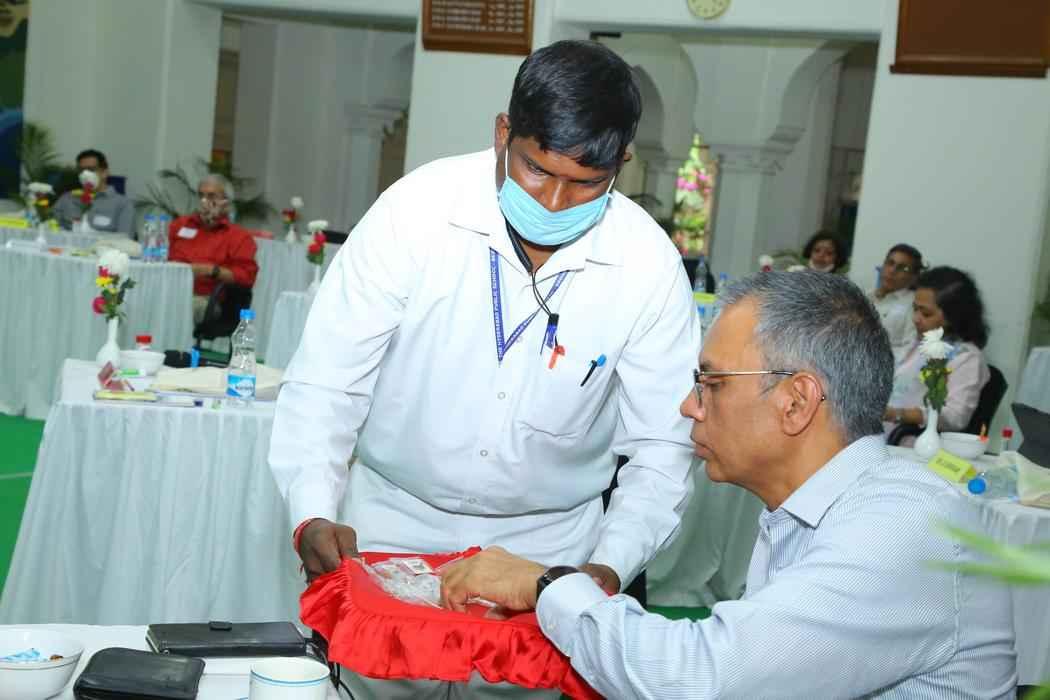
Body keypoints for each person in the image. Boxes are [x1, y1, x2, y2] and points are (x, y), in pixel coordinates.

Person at [268, 39, 699, 698]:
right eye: (536, 171)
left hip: (545, 552)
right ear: (503, 134)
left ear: (623, 163)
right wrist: (311, 512)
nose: (555, 202)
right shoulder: (416, 213)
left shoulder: (646, 265)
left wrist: (605, 570)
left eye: (586, 183)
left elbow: (663, 450)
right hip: (392, 527)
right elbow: (327, 383)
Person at [440, 270, 1017, 699]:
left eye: (711, 383)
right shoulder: (813, 507)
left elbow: (702, 677)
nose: (689, 406)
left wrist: (546, 585)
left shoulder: (904, 525)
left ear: (796, 402)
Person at [884, 266, 990, 433]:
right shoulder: (917, 343)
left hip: (911, 442)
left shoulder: (966, 358)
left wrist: (897, 414)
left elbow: (955, 417)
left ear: (953, 317)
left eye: (926, 314)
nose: (916, 319)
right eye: (915, 309)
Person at [167, 174, 258, 324]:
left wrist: (210, 270)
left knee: (175, 308)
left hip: (206, 298)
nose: (204, 201)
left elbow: (246, 277)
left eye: (211, 196)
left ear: (226, 202)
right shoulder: (180, 225)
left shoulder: (239, 237)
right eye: (201, 195)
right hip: (170, 290)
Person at [52, 149, 134, 234]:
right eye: (81, 170)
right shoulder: (67, 199)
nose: (85, 174)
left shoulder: (123, 204)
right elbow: (52, 229)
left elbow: (125, 239)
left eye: (91, 169)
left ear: (105, 172)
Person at [869, 243, 924, 364]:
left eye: (903, 268)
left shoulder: (915, 305)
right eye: (890, 263)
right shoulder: (866, 296)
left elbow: (911, 349)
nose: (892, 270)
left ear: (914, 277)